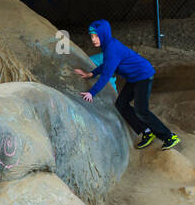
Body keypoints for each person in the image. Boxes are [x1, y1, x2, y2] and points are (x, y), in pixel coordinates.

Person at [73, 19, 180, 150]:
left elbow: (106, 75)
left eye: (96, 36)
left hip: (143, 76)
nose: (93, 39)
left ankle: (169, 137)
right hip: (134, 78)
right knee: (121, 104)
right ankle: (146, 131)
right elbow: (107, 65)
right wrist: (91, 74)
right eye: (92, 36)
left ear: (104, 34)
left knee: (142, 110)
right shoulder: (108, 46)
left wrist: (92, 92)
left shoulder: (112, 48)